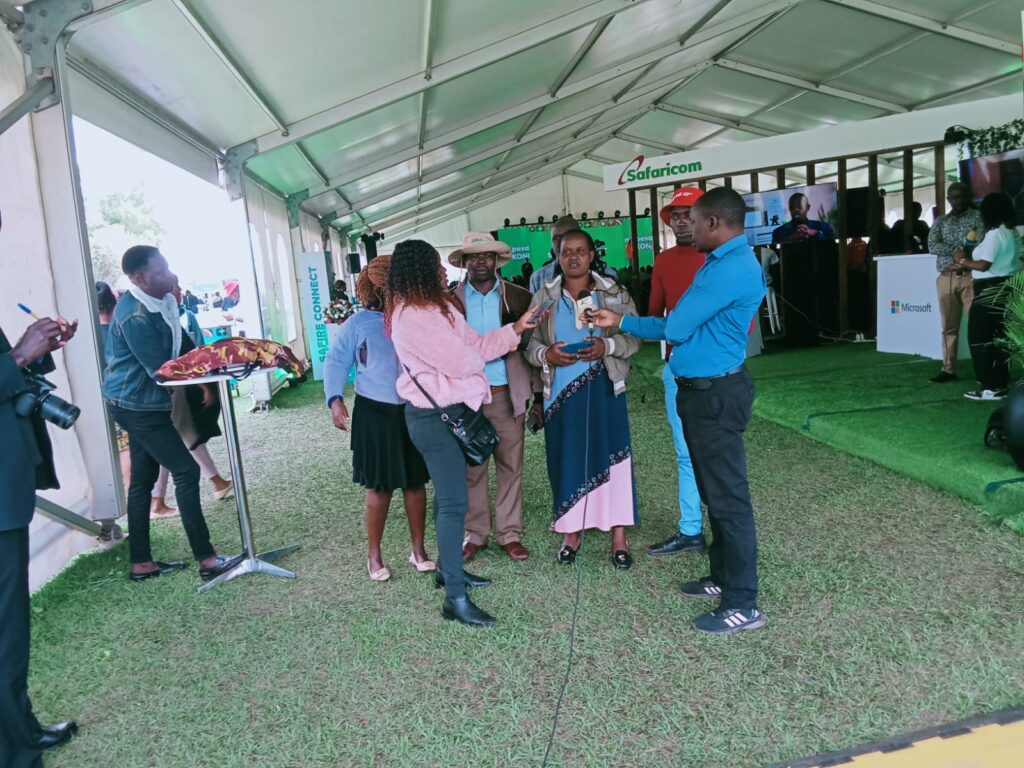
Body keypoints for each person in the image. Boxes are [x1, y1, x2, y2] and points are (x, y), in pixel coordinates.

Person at [590, 188, 768, 634]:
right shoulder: (721, 261)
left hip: (714, 393)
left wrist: (620, 321)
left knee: (728, 499)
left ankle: (743, 604)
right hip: (703, 391)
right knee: (714, 493)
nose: (685, 228)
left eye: (695, 219)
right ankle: (722, 576)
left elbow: (678, 325)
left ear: (713, 223)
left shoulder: (730, 268)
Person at [387, 240, 542, 627]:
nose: (444, 271)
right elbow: (463, 361)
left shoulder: (437, 307)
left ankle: (447, 571)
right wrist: (476, 361)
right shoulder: (411, 314)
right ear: (419, 271)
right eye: (436, 265)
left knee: (447, 499)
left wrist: (516, 328)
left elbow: (476, 345)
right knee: (455, 503)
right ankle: (455, 598)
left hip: (453, 412)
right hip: (433, 418)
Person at [103, 245, 241, 582]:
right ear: (140, 278)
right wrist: (200, 376)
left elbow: (181, 344)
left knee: (142, 480)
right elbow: (161, 369)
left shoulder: (162, 301)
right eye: (161, 271)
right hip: (136, 405)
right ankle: (207, 559)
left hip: (144, 402)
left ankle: (141, 563)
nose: (171, 275)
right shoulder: (134, 315)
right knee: (185, 469)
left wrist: (207, 371)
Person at [525, 229, 640, 569]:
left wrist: (608, 346)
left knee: (613, 457)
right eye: (565, 252)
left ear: (592, 255)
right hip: (560, 394)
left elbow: (634, 336)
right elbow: (529, 345)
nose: (572, 257)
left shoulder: (613, 293)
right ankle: (571, 532)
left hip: (605, 387)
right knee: (567, 458)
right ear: (557, 257)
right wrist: (547, 355)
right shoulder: (544, 297)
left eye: (580, 251)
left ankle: (618, 535)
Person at [1, 307, 80, 765]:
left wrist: (38, 350)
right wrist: (18, 357)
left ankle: (21, 731)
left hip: (8, 489)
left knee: (10, 631)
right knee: (5, 633)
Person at [324, 255, 433, 581]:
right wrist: (335, 400)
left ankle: (418, 551)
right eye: (389, 287)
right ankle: (374, 555)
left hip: (413, 409)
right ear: (375, 288)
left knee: (415, 483)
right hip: (374, 412)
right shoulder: (358, 323)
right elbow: (335, 361)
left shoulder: (414, 317)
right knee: (379, 487)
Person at [449, 232, 540, 562]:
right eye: (474, 256)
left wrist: (538, 397)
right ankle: (475, 535)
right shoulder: (449, 302)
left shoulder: (519, 297)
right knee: (472, 468)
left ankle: (509, 534)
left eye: (487, 255)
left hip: (507, 395)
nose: (481, 261)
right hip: (466, 399)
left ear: (497, 260)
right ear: (464, 262)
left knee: (510, 466)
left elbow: (531, 348)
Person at [644, 187, 707, 558]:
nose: (681, 221)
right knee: (685, 453)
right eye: (676, 216)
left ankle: (723, 530)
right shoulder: (664, 261)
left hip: (715, 372)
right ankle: (691, 530)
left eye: (688, 214)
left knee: (715, 455)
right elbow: (655, 316)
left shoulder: (718, 259)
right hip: (676, 369)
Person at [149, 280, 235, 517]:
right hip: (172, 388)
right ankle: (215, 482)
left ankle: (158, 499)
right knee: (185, 436)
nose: (179, 290)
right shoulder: (163, 318)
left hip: (175, 386)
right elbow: (182, 358)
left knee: (177, 438)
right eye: (175, 287)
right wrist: (203, 385)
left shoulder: (170, 315)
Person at [953, 193, 1022, 401]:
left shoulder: (995, 234)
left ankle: (990, 386)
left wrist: (962, 261)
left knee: (980, 337)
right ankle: (999, 383)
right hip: (1007, 287)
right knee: (999, 337)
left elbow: (984, 265)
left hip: (988, 289)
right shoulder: (1012, 232)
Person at [928, 182, 984, 383]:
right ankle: (948, 369)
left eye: (960, 196)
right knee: (948, 327)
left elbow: (982, 242)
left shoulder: (978, 217)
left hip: (971, 277)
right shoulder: (941, 221)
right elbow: (932, 245)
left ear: (967, 196)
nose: (957, 201)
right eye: (953, 197)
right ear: (948, 199)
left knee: (978, 326)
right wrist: (955, 251)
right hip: (946, 278)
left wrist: (964, 257)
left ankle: (983, 370)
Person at [529, 215, 578, 294]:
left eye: (566, 236)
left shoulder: (597, 274)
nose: (560, 243)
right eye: (555, 238)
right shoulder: (537, 278)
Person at [770, 192, 836, 245]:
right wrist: (790, 238)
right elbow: (776, 253)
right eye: (792, 207)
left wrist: (815, 233)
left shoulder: (824, 227)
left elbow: (833, 247)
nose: (796, 210)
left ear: (808, 207)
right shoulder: (778, 232)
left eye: (799, 206)